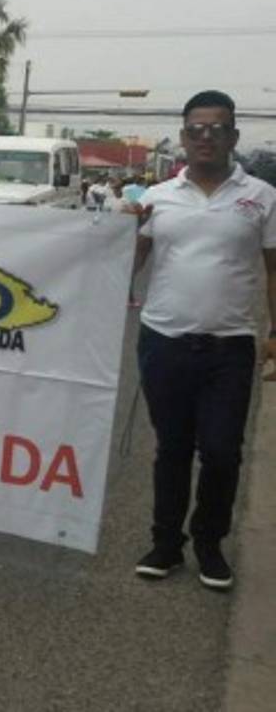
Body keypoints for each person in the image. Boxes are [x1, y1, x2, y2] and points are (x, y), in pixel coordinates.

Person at [131, 90, 276, 591]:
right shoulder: (156, 197)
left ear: (233, 136)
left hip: (229, 346)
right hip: (163, 341)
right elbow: (126, 261)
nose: (205, 137)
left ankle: (210, 543)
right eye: (195, 129)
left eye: (216, 129)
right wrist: (121, 231)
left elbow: (273, 271)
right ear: (184, 137)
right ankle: (166, 544)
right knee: (172, 447)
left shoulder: (261, 197)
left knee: (221, 451)